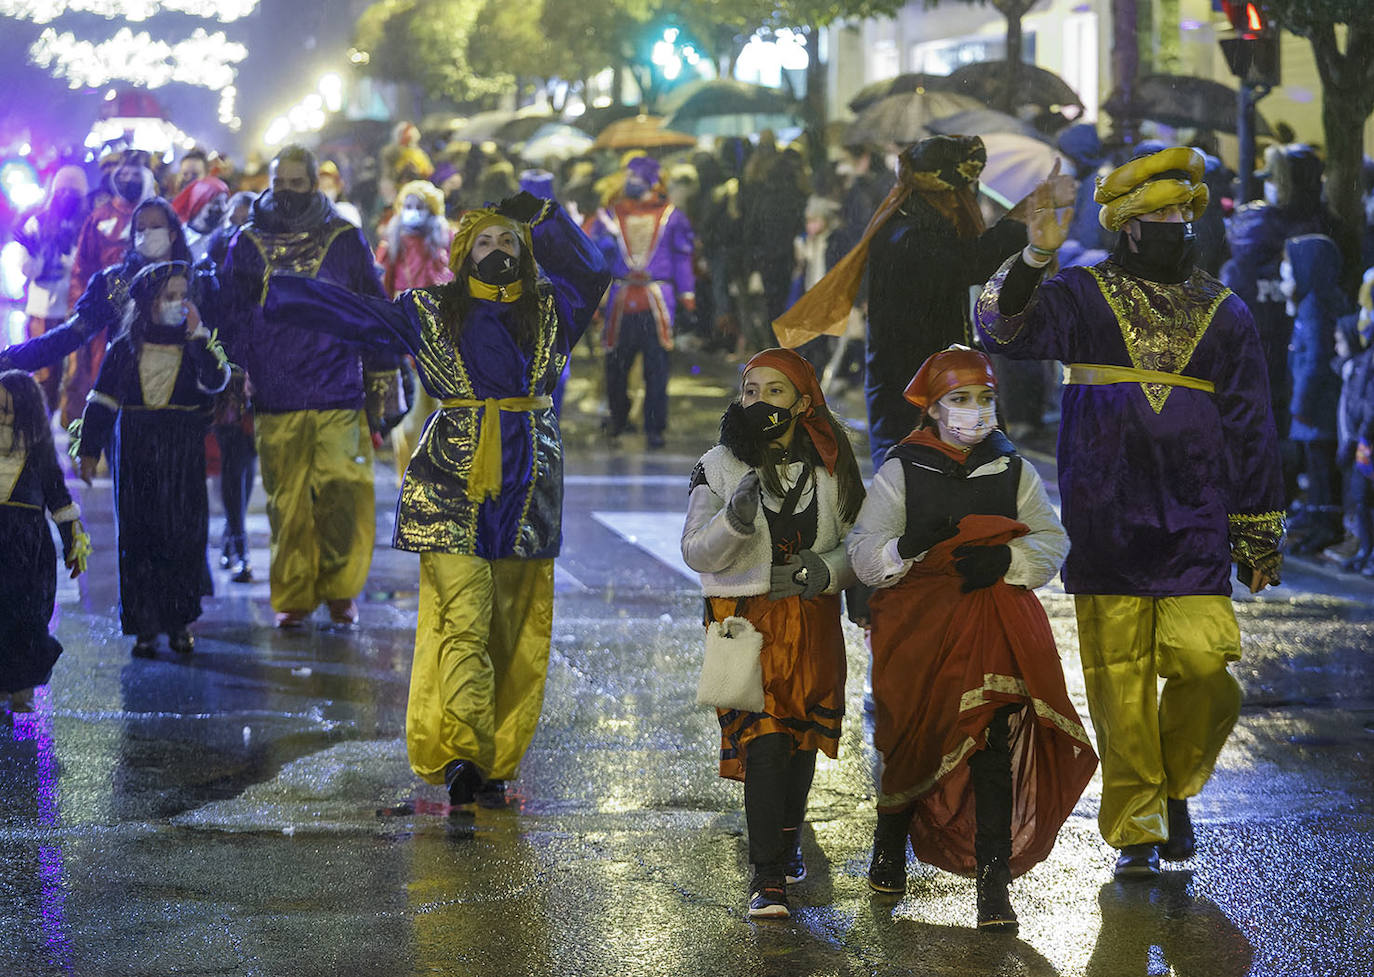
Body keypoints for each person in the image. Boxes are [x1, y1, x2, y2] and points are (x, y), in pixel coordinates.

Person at [975, 146, 1286, 879]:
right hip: (1107, 508)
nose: (1176, 224)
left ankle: (1177, 782)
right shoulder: (1081, 294)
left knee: (1208, 664)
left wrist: (1259, 526)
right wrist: (1033, 255)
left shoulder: (1227, 309)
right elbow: (1002, 329)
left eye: (1184, 212)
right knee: (1118, 678)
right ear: (1128, 224)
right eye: (1160, 215)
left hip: (1197, 513)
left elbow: (1251, 420)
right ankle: (1138, 826)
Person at [265, 191, 610, 807]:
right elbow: (354, 312)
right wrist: (275, 290)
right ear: (463, 253)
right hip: (450, 481)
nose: (498, 250)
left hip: (529, 482)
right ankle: (462, 754)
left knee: (511, 625)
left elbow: (592, 269)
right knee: (463, 619)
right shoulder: (428, 310)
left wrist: (547, 216)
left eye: (509, 242)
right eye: (486, 241)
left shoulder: (552, 308)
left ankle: (496, 755)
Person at [846, 346, 1096, 933]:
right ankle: (890, 837)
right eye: (960, 400)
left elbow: (1051, 541)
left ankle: (993, 883)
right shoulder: (902, 469)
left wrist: (1007, 559)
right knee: (910, 740)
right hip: (919, 629)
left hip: (995, 623)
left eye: (984, 399)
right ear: (933, 409)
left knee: (991, 746)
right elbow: (864, 553)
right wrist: (906, 549)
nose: (974, 412)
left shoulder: (1013, 468)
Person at [680, 347, 864, 920]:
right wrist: (733, 521)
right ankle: (768, 876)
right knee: (762, 739)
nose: (759, 401)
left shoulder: (832, 467)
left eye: (774, 391)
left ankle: (786, 840)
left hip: (811, 621)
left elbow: (858, 546)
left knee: (801, 739)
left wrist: (829, 570)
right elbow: (693, 550)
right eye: (750, 390)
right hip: (746, 623)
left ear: (803, 403)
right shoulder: (718, 464)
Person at [774, 135, 1074, 470]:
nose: (969, 201)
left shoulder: (917, 225)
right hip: (912, 393)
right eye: (965, 190)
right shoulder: (910, 235)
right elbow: (972, 261)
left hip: (937, 385)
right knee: (920, 485)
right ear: (947, 193)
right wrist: (1029, 210)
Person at [218, 144, 396, 629]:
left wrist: (384, 379)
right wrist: (235, 375)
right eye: (280, 183)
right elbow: (231, 318)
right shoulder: (247, 242)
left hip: (338, 387)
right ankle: (295, 595)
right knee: (286, 503)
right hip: (276, 392)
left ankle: (341, 589)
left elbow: (373, 308)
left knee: (345, 490)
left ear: (314, 185)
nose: (287, 192)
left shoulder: (344, 238)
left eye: (297, 183)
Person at [75, 261, 230, 657]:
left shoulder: (194, 346)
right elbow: (102, 401)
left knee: (183, 536)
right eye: (169, 297)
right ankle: (145, 625)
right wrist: (90, 451)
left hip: (183, 453)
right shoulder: (125, 349)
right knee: (140, 538)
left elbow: (216, 381)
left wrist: (198, 337)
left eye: (183, 296)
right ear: (150, 303)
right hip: (139, 453)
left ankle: (179, 622)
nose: (178, 304)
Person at [0, 198, 207, 399]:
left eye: (155, 226)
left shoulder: (197, 283)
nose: (147, 234)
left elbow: (214, 344)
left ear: (172, 234)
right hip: (129, 396)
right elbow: (71, 334)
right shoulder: (115, 283)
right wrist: (11, 359)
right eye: (140, 229)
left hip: (185, 398)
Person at [0, 371, 89, 711]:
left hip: (29, 549)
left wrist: (73, 544)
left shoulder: (38, 449)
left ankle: (21, 684)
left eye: (7, 410)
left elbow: (58, 496)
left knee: (28, 617)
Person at [592, 155, 695, 449]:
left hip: (656, 300)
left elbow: (682, 257)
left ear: (652, 182)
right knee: (615, 367)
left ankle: (654, 428)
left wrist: (687, 295)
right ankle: (619, 421)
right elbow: (597, 256)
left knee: (656, 370)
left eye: (636, 177)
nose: (629, 182)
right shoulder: (611, 215)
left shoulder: (671, 215)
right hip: (621, 300)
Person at [61, 151, 158, 425]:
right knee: (99, 373)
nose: (129, 179)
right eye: (124, 174)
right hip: (104, 314)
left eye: (136, 174)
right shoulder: (98, 217)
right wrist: (78, 305)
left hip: (146, 312)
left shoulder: (156, 214)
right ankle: (97, 437)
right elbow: (82, 266)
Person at [1280, 234, 1350, 555]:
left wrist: (1300, 405)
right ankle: (1319, 522)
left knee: (1321, 468)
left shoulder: (1314, 306)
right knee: (1319, 467)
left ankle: (1326, 525)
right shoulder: (1319, 299)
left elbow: (1315, 361)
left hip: (1316, 406)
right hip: (1319, 405)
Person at [13, 165, 88, 409]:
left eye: (73, 191)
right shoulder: (38, 222)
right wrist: (38, 254)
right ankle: (41, 425)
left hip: (77, 310)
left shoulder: (87, 224)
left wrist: (71, 252)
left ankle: (68, 429)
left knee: (76, 375)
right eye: (62, 189)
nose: (67, 195)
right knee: (44, 374)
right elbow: (27, 269)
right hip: (43, 310)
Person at [1335, 272, 1374, 576]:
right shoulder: (1363, 360)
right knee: (1361, 497)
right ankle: (1365, 550)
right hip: (1364, 436)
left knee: (1364, 496)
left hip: (1367, 436)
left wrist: (1364, 433)